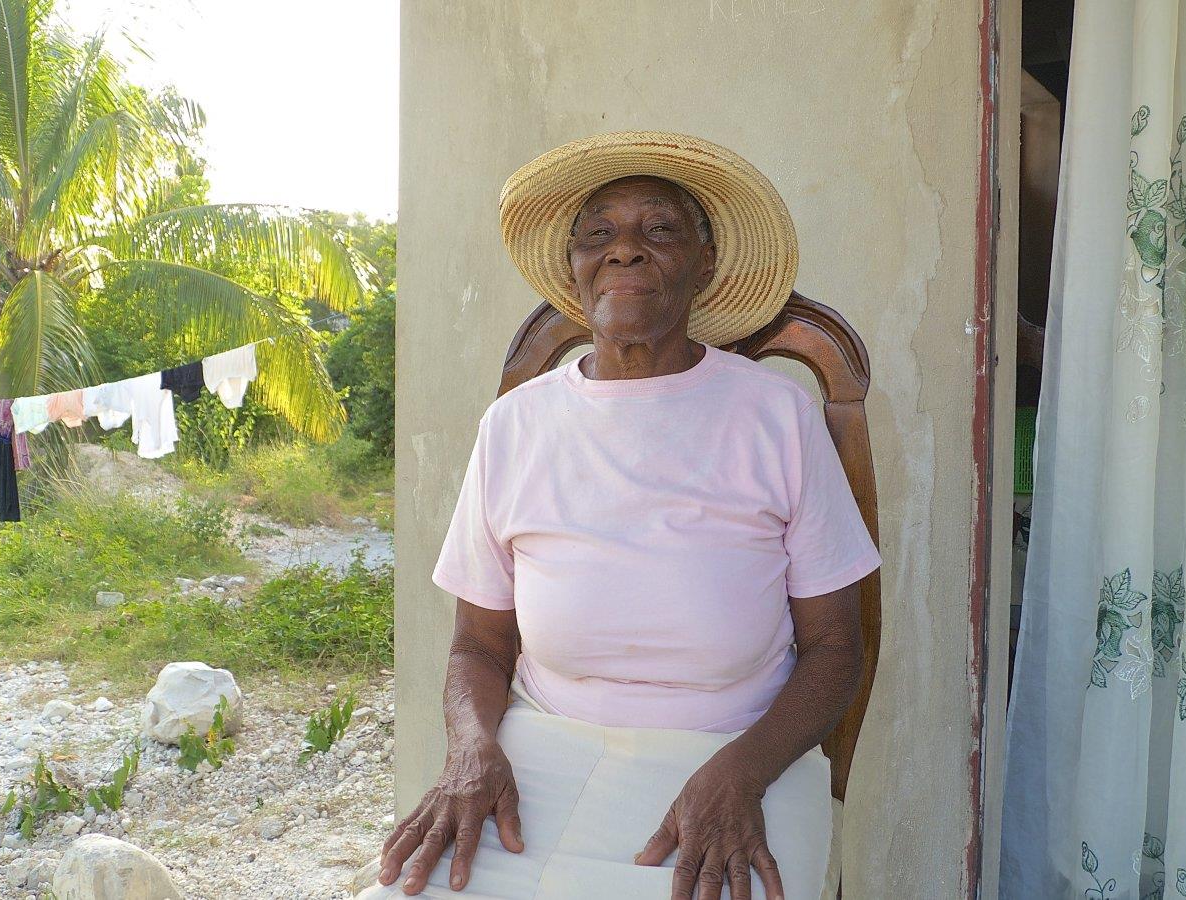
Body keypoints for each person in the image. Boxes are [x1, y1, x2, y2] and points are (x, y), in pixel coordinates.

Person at [358, 131, 881, 900]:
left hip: (739, 757)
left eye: (660, 230)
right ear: (574, 269)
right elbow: (477, 645)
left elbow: (837, 649)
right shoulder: (514, 425)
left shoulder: (778, 416)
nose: (625, 252)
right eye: (598, 234)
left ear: (705, 264)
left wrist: (741, 773)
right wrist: (471, 750)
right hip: (536, 755)